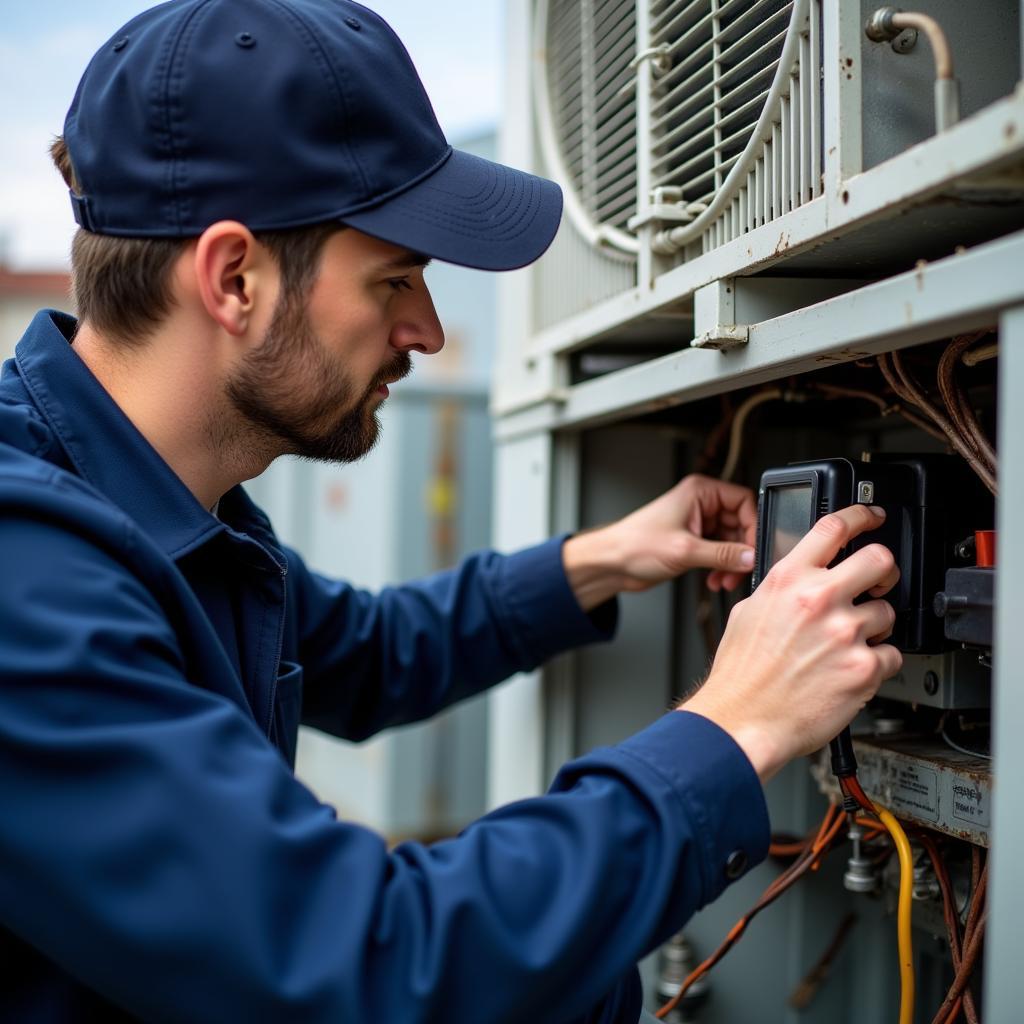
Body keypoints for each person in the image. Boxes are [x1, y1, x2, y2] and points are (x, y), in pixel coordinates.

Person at [0, 2, 902, 1021]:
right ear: (232, 277)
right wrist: (734, 728)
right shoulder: (27, 572)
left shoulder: (166, 514)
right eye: (394, 278)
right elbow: (369, 963)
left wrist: (601, 558)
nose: (427, 329)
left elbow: (368, 651)